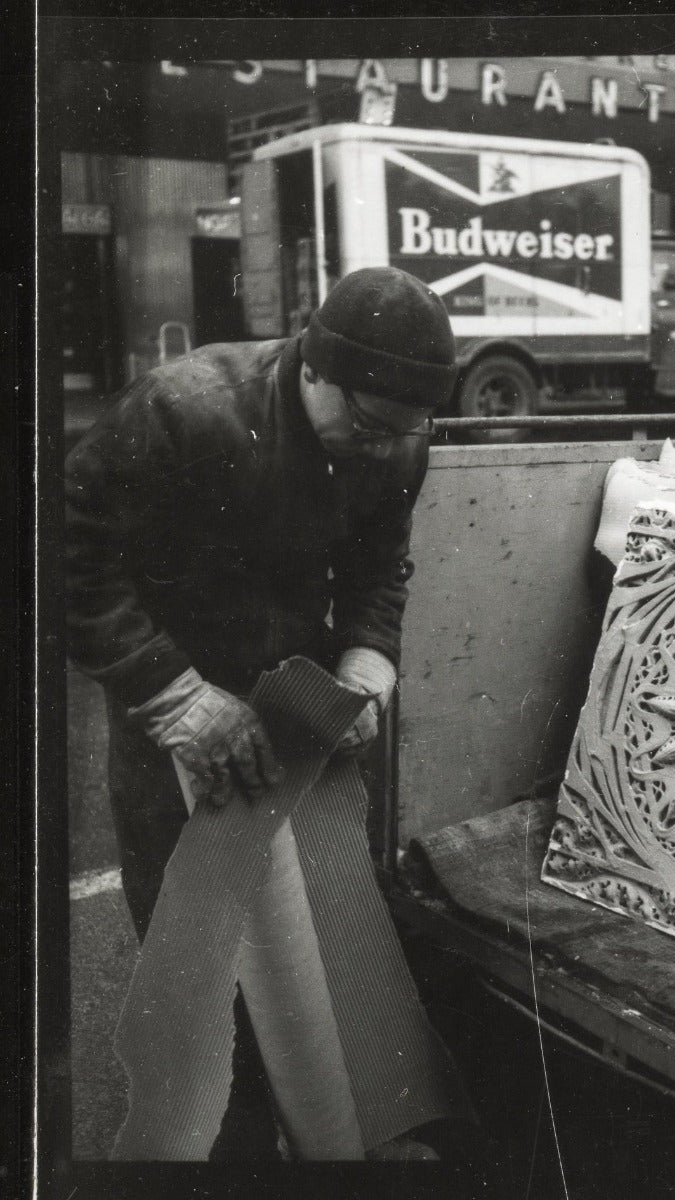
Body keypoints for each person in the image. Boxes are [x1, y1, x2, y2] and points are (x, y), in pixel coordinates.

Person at [64, 267, 461, 1161]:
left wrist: (365, 664)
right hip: (175, 700)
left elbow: (379, 569)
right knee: (197, 958)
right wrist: (174, 697)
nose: (385, 448)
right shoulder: (184, 411)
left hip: (295, 700)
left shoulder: (394, 439)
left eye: (405, 432)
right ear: (313, 369)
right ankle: (231, 1153)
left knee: (320, 930)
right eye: (369, 426)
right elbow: (66, 558)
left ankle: (337, 1133)